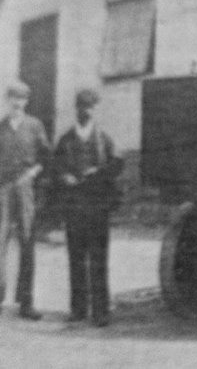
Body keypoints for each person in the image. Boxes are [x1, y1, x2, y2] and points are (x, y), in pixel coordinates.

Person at [52, 89, 121, 327]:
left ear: (96, 110)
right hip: (74, 206)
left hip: (98, 206)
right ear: (77, 109)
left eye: (91, 107)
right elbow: (55, 167)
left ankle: (101, 311)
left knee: (99, 258)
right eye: (83, 107)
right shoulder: (66, 140)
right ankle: (78, 309)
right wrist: (64, 177)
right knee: (76, 258)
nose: (87, 111)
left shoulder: (104, 138)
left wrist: (98, 172)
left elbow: (117, 164)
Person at [0, 80, 50, 320]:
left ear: (27, 101)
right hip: (3, 189)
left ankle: (26, 302)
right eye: (13, 98)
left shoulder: (34, 126)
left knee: (27, 241)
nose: (17, 103)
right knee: (0, 242)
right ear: (7, 100)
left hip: (25, 187)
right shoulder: (1, 127)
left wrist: (32, 174)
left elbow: (46, 157)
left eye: (21, 99)